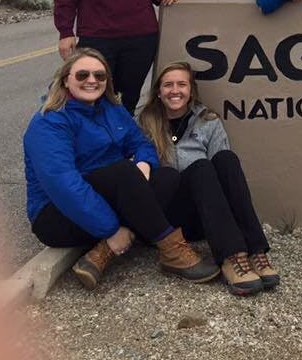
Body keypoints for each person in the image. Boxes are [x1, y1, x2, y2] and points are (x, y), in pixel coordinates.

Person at [23, 49, 220, 289]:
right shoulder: (50, 121)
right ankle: (172, 252)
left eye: (100, 75)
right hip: (57, 214)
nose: (92, 80)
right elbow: (64, 186)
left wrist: (144, 165)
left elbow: (141, 144)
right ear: (66, 79)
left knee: (166, 177)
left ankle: (103, 251)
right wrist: (112, 229)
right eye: (83, 75)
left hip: (105, 194)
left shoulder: (111, 109)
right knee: (122, 172)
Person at [138, 61, 279, 296]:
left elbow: (224, 175)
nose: (175, 90)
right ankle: (230, 256)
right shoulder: (144, 123)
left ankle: (255, 251)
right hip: (169, 217)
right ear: (159, 92)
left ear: (191, 90)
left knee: (226, 158)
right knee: (201, 167)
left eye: (182, 84)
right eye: (168, 85)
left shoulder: (208, 120)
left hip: (204, 215)